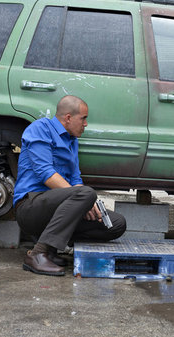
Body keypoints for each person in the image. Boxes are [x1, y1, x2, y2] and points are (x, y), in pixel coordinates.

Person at [13, 95, 126, 276]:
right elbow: (46, 174)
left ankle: (51, 250)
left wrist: (84, 202)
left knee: (116, 224)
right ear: (68, 118)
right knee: (87, 194)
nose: (86, 124)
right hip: (30, 206)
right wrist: (82, 197)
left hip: (59, 207)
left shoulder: (72, 141)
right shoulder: (40, 128)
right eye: (83, 118)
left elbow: (75, 179)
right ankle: (38, 254)